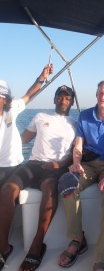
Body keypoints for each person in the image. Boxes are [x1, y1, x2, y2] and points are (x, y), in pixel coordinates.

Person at [0, 84, 76, 271]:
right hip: (32, 165)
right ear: (54, 99)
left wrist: (60, 165)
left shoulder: (75, 124)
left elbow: (77, 152)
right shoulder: (40, 117)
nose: (63, 100)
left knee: (50, 190)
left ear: (72, 102)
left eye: (67, 98)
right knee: (7, 190)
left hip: (55, 169)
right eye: (60, 96)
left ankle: (36, 246)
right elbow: (21, 140)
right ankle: (3, 248)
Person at [58, 80, 104, 271]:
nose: (103, 97)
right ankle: (77, 238)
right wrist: (75, 163)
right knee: (67, 185)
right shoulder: (85, 115)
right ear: (96, 94)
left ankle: (101, 259)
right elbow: (79, 145)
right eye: (100, 93)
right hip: (87, 165)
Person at [0, 65, 53, 188]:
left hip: (16, 166)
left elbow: (28, 95)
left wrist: (42, 77)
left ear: (5, 100)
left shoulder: (11, 109)